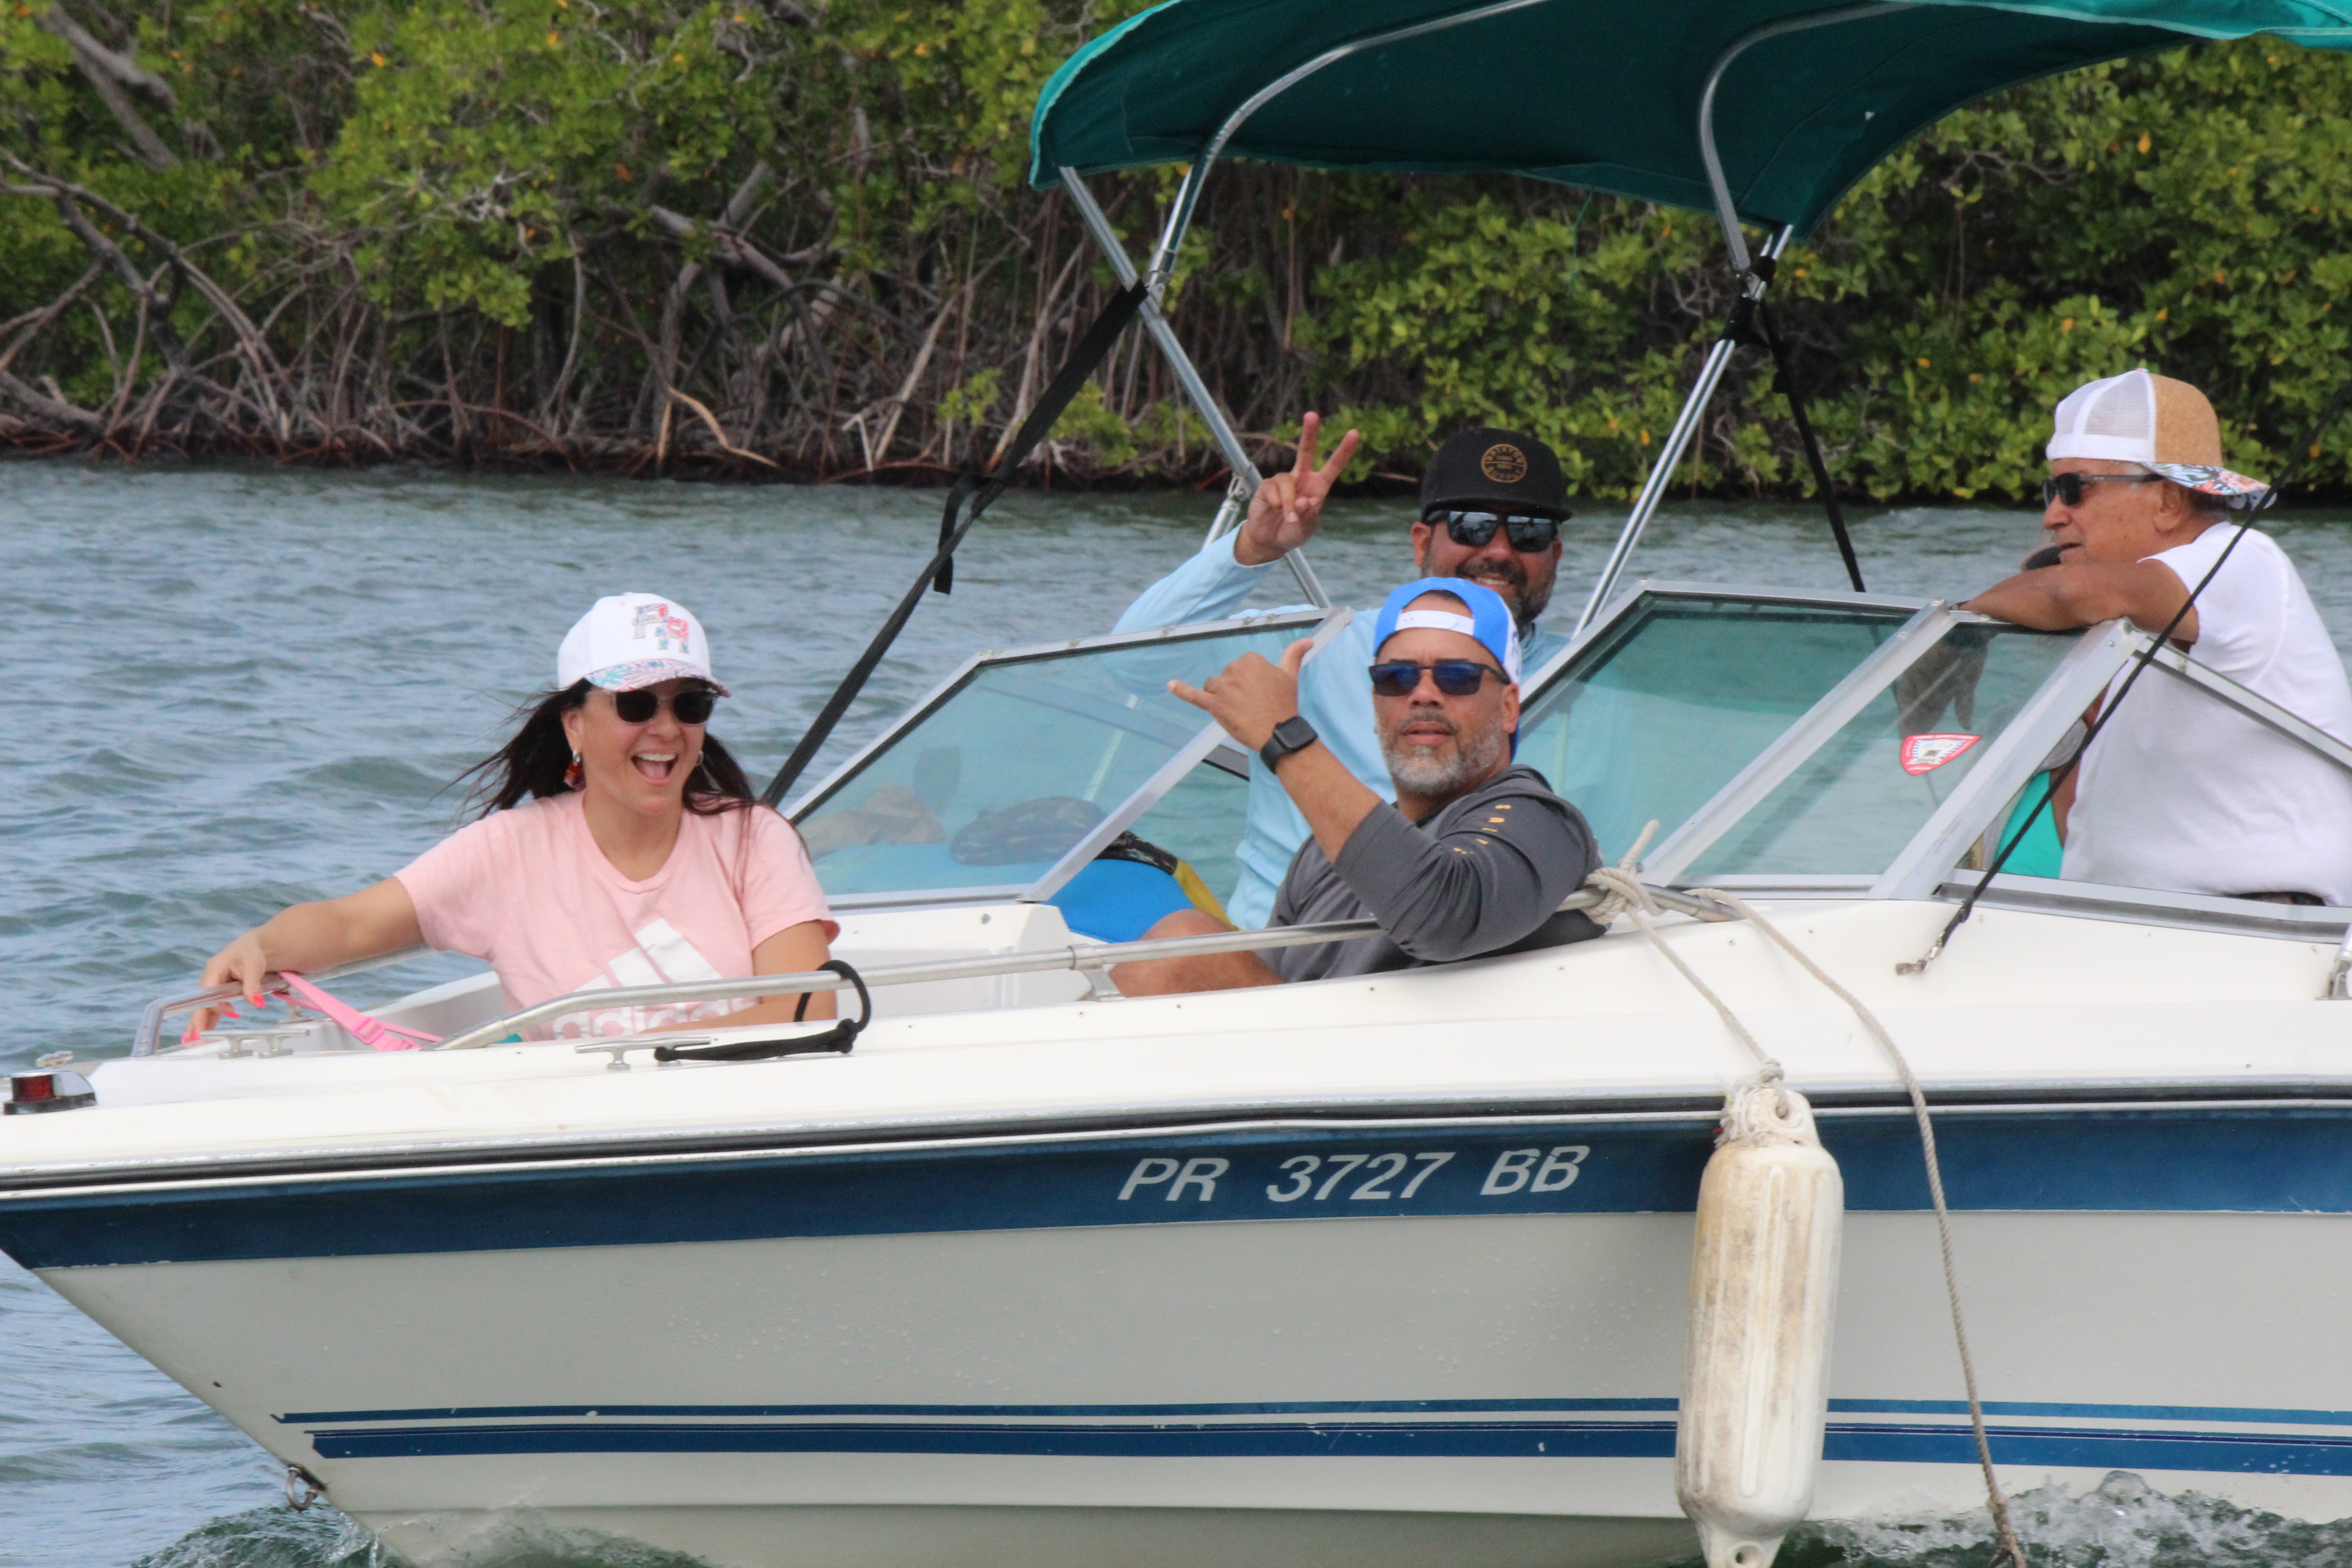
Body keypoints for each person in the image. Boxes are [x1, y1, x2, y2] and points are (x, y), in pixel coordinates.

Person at [191, 592, 838, 1041]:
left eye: (690, 703)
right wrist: (261, 947)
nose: (666, 728)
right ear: (574, 724)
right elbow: (351, 922)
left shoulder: (757, 840)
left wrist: (627, 1060)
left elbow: (808, 1008)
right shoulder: (509, 852)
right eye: (636, 704)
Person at [1116, 415, 1577, 928]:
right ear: (1421, 542)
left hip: (1492, 948)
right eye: (1471, 527)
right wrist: (1255, 548)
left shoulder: (1591, 672)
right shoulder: (1315, 649)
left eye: (1529, 533)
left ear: (1554, 555)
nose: (1498, 551)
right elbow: (1131, 664)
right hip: (1289, 952)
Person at [1963, 368, 2352, 905]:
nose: (2052, 515)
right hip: (2128, 926)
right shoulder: (2138, 610)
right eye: (2051, 490)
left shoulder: (2239, 561)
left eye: (2074, 490)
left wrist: (1961, 627)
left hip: (2257, 933)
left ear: (2169, 501)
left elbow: (2072, 594)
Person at [1112, 579, 1603, 995]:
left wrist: (1285, 740)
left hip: (1407, 1094)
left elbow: (1444, 916)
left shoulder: (1543, 824)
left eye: (1457, 677)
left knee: (1179, 944)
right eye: (1397, 678)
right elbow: (1272, 978)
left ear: (1508, 708)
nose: (1423, 694)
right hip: (1295, 1090)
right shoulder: (1322, 854)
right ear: (1376, 706)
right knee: (1170, 950)